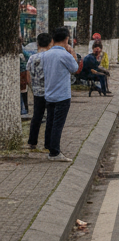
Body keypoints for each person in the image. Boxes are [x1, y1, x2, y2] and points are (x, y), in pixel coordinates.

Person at [41, 26, 82, 162]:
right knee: (58, 123)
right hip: (62, 95)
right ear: (66, 39)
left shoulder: (46, 54)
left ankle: (49, 146)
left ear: (53, 39)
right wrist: (73, 54)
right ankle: (55, 152)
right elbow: (75, 69)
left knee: (50, 122)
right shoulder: (65, 55)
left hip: (49, 93)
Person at [26, 32, 51, 150]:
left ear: (37, 43)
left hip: (37, 92)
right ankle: (48, 143)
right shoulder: (50, 57)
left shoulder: (32, 58)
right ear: (50, 43)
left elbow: (27, 77)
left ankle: (32, 142)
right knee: (51, 117)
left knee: (37, 117)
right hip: (50, 91)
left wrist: (33, 87)